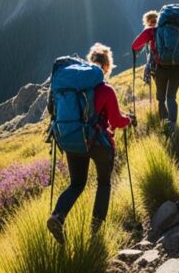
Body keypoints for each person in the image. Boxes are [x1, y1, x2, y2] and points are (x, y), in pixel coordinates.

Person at [47, 43, 134, 244]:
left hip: (73, 140)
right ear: (106, 66)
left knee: (76, 184)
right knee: (104, 184)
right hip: (98, 144)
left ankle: (57, 216)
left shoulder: (69, 88)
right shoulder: (105, 90)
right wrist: (129, 119)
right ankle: (95, 235)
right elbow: (116, 121)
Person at [131, 6, 179, 134]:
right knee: (171, 97)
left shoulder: (152, 31)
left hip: (160, 69)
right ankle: (173, 127)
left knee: (161, 98)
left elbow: (135, 45)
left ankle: (165, 126)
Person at [140, 10, 159, 87]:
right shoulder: (163, 28)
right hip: (168, 56)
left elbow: (137, 45)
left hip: (155, 60)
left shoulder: (149, 30)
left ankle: (147, 80)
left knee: (148, 69)